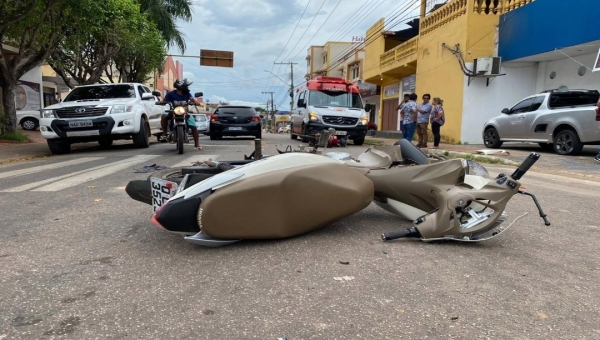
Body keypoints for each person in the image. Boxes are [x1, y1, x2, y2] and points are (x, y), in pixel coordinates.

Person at [158, 78, 203, 151]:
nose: (187, 88)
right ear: (181, 86)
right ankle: (164, 133)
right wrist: (161, 102)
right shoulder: (171, 94)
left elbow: (192, 99)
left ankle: (197, 144)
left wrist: (196, 102)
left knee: (194, 127)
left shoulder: (187, 94)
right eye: (186, 86)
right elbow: (165, 101)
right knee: (164, 116)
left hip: (184, 112)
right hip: (173, 110)